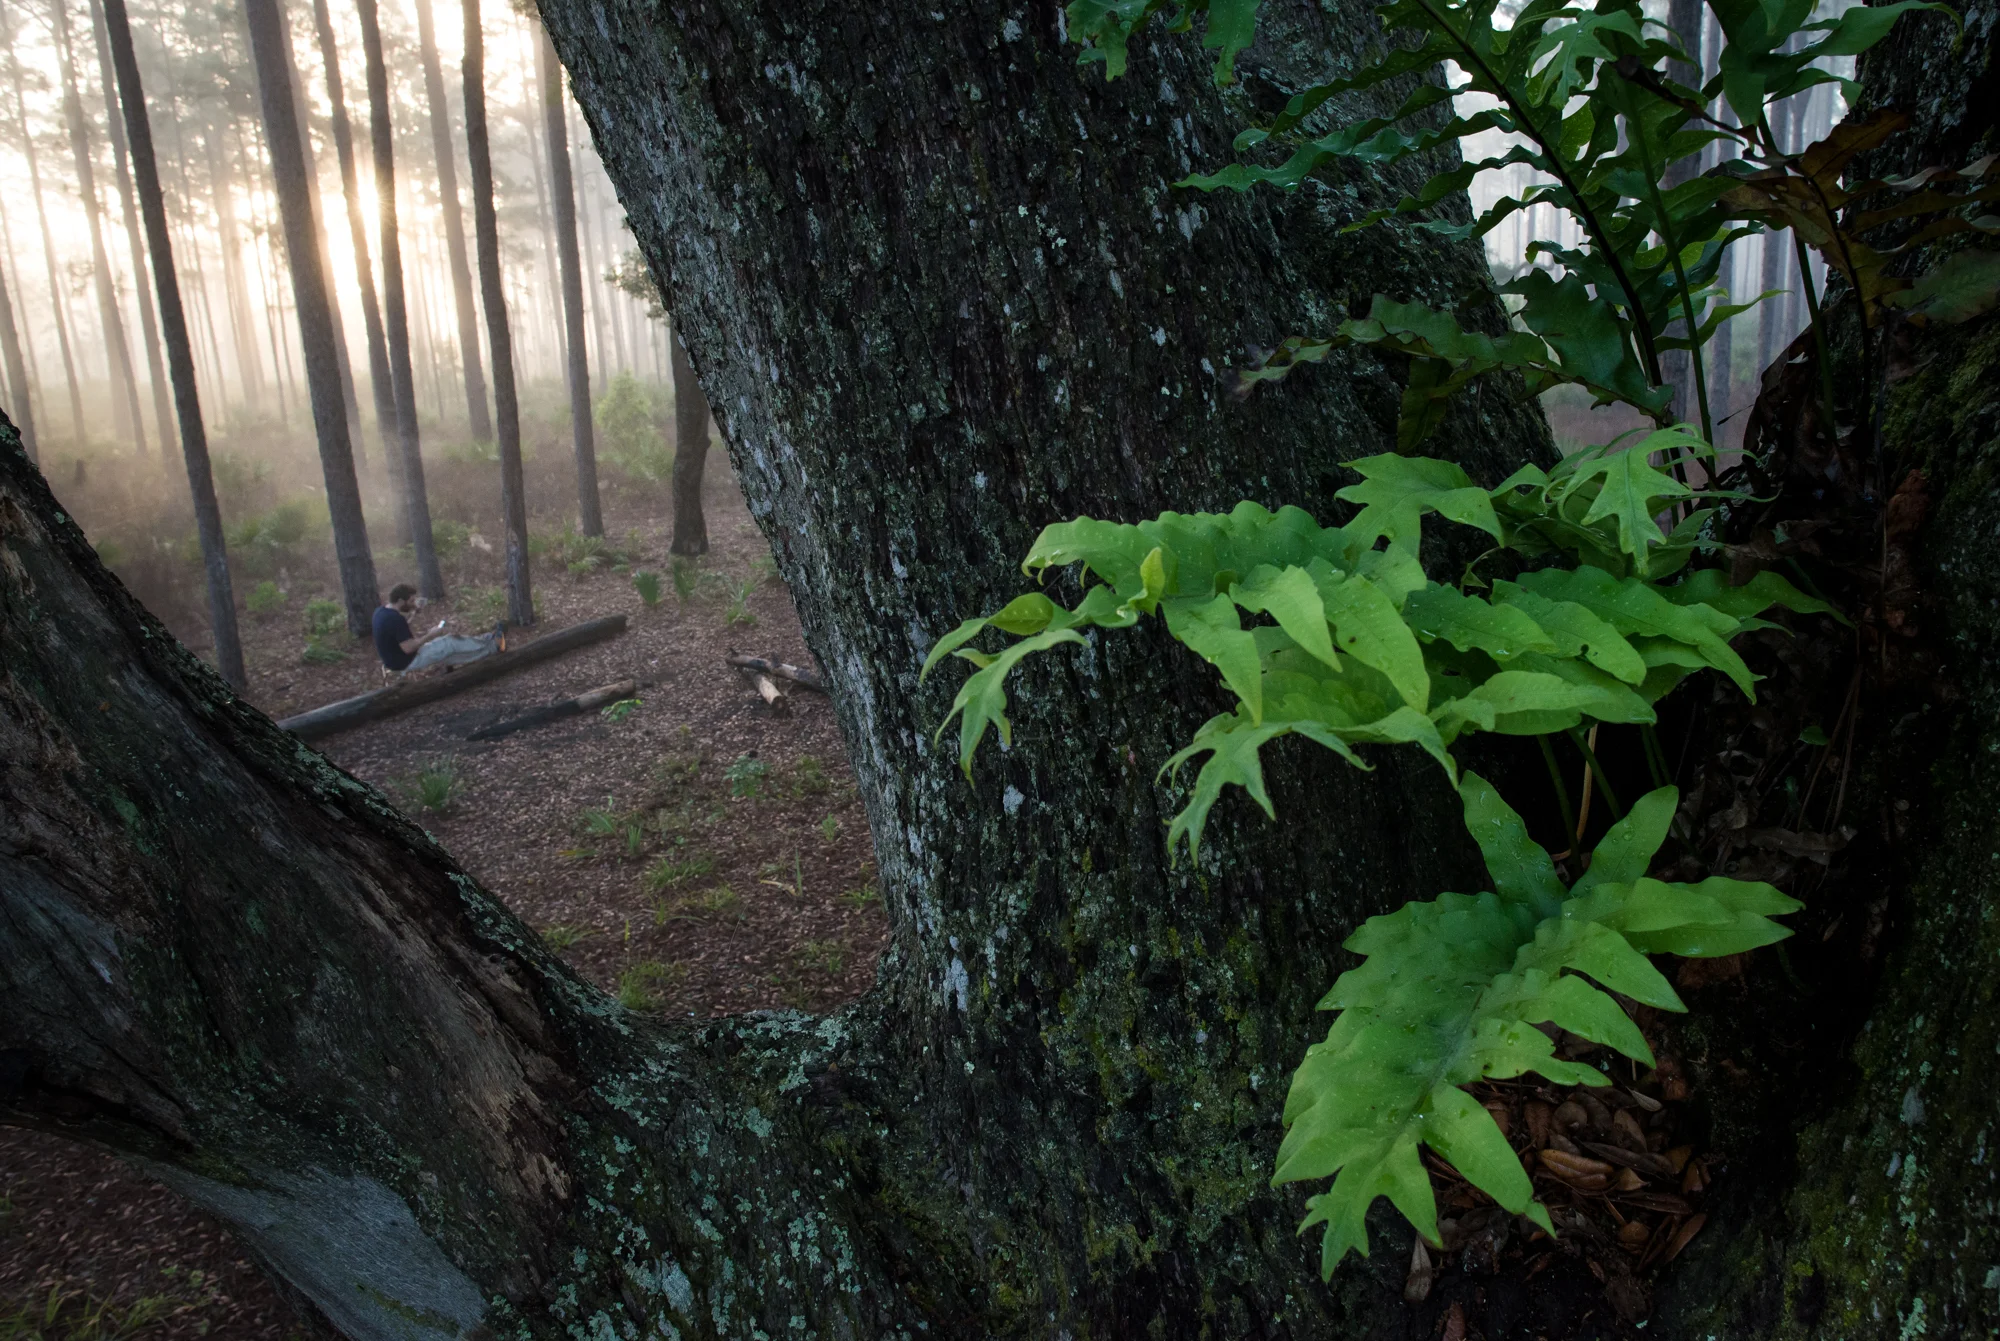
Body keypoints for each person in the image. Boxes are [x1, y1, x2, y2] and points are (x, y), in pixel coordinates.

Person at [372, 584, 506, 675]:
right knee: (449, 642)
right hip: (406, 661)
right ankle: (492, 642)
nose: (413, 604)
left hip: (393, 661)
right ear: (401, 601)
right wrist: (430, 635)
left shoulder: (381, 612)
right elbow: (408, 648)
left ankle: (491, 647)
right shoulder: (395, 619)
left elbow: (396, 633)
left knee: (450, 655)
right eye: (411, 601)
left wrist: (412, 615)